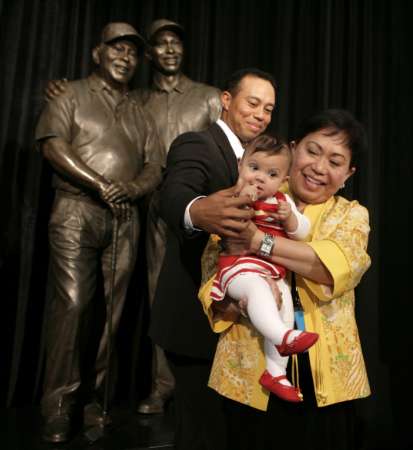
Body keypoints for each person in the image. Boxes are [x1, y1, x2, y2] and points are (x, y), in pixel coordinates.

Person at [198, 108, 371, 450]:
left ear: (348, 174)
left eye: (335, 161)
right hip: (248, 372)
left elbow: (332, 266)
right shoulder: (245, 196)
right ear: (293, 150)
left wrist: (256, 241)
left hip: (325, 375)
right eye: (312, 151)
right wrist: (238, 301)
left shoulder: (351, 215)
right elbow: (211, 273)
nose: (319, 167)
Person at [35, 22, 162, 443]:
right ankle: (59, 404)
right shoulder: (69, 95)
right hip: (76, 209)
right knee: (73, 305)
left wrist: (133, 189)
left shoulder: (140, 111)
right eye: (117, 48)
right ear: (97, 53)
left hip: (124, 216)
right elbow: (53, 146)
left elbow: (154, 166)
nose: (125, 57)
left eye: (132, 52)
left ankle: (97, 401)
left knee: (112, 313)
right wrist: (99, 183)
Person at [150, 67, 277, 450]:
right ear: (226, 100)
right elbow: (174, 194)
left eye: (268, 109)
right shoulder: (196, 144)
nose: (260, 114)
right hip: (194, 323)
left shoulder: (262, 159)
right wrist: (198, 210)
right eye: (252, 103)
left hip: (240, 328)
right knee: (200, 434)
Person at [133, 18, 222, 414]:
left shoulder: (207, 97)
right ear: (149, 53)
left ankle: (208, 380)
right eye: (161, 43)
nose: (170, 49)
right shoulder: (136, 100)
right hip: (151, 204)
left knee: (209, 289)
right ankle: (162, 384)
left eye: (176, 42)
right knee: (156, 292)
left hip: (201, 207)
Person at [208, 133, 317, 403]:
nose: (259, 178)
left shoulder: (283, 202)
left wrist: (290, 219)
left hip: (271, 271)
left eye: (271, 174)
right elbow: (224, 227)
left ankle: (276, 373)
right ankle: (283, 337)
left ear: (283, 180)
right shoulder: (230, 195)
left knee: (284, 305)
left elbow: (303, 232)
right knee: (258, 289)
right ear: (240, 165)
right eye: (254, 168)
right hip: (239, 267)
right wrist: (242, 199)